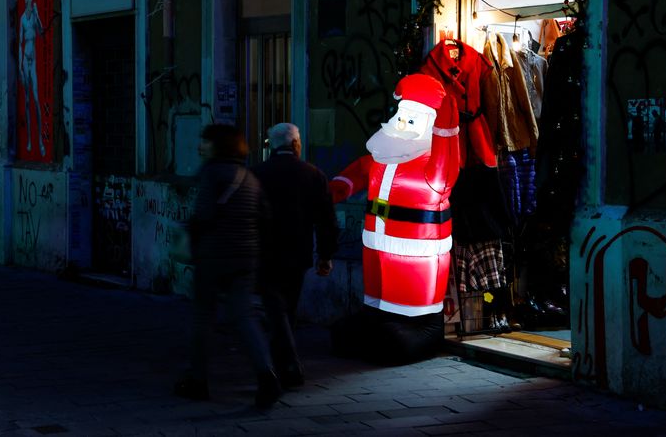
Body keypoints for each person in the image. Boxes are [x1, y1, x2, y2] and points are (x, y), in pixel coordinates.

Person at [328, 73, 460, 363]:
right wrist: (335, 189)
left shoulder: (432, 164)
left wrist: (447, 123)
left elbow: (447, 161)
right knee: (374, 304)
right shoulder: (381, 154)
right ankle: (377, 318)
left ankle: (414, 328)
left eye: (411, 120)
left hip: (416, 253)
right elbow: (358, 173)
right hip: (375, 246)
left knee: (406, 309)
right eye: (401, 117)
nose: (401, 125)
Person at [174, 124, 282, 408]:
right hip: (246, 257)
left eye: (206, 142)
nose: (201, 146)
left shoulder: (211, 173)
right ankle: (267, 376)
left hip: (213, 256)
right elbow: (265, 218)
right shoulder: (249, 176)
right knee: (245, 317)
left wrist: (189, 233)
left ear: (218, 145)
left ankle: (197, 380)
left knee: (203, 317)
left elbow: (205, 214)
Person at [252, 123, 339, 388]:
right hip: (297, 254)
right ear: (296, 145)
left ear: (272, 145)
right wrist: (325, 254)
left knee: (276, 309)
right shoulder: (313, 174)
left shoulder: (256, 173)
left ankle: (285, 364)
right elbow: (326, 220)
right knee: (287, 307)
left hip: (265, 254)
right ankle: (287, 364)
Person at [18, 0, 46, 157]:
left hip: (33, 61)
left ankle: (41, 141)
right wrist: (20, 65)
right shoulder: (21, 19)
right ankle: (29, 140)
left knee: (36, 99)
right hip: (25, 61)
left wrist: (37, 13)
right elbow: (20, 42)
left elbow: (42, 33)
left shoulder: (33, 16)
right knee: (27, 101)